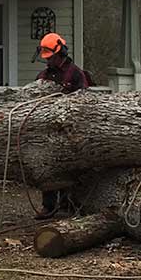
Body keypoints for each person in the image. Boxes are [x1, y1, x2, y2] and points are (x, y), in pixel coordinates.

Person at [32, 33, 91, 219]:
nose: (48, 62)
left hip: (69, 132)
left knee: (69, 168)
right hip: (48, 131)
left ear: (61, 53)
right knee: (48, 168)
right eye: (47, 58)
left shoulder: (75, 74)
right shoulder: (43, 76)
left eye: (51, 58)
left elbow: (85, 100)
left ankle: (68, 204)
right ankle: (48, 206)